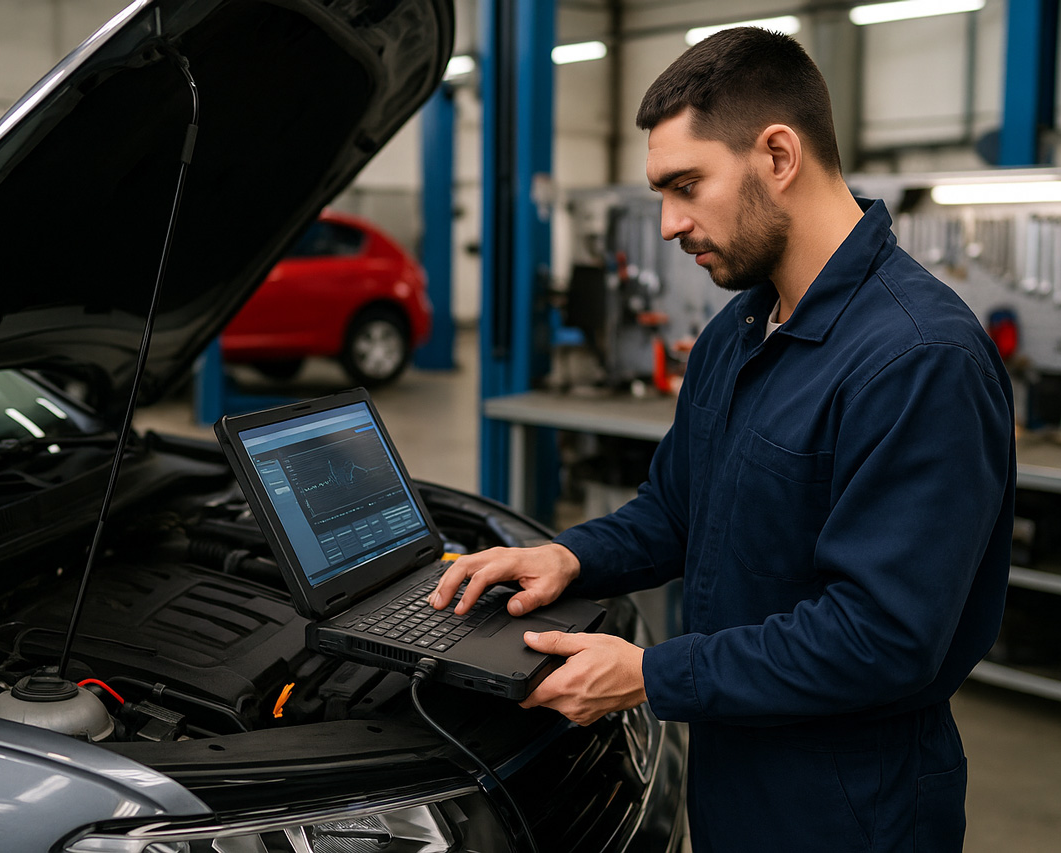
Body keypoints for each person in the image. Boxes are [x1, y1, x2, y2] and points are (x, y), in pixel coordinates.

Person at [430, 26, 1016, 853]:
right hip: (733, 764)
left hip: (849, 805)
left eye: (686, 185)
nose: (670, 223)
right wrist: (569, 557)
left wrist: (650, 674)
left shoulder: (919, 360)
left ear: (778, 155)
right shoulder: (739, 330)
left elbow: (882, 637)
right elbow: (677, 510)